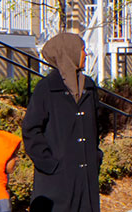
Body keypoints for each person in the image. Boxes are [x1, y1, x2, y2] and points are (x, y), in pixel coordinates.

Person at [20, 33, 104, 212]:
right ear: (69, 52)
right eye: (82, 50)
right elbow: (30, 129)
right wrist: (50, 163)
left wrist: (95, 157)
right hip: (56, 184)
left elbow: (98, 126)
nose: (85, 55)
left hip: (86, 181)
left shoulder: (89, 87)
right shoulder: (46, 89)